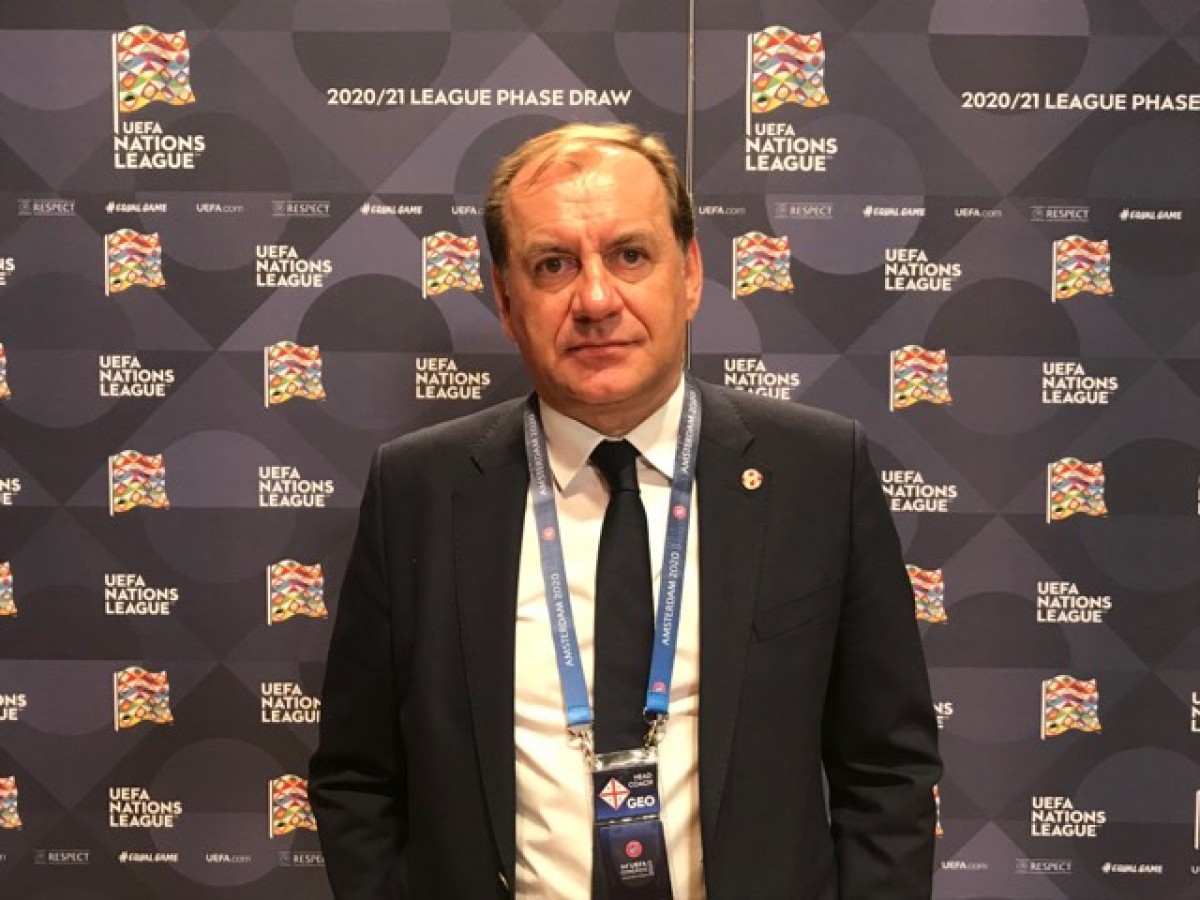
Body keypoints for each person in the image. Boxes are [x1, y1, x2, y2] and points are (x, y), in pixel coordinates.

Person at [309, 122, 941, 899]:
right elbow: (358, 778)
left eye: (630, 255)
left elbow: (887, 772)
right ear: (505, 300)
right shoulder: (418, 490)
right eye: (553, 265)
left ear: (691, 274)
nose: (597, 300)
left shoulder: (817, 472)